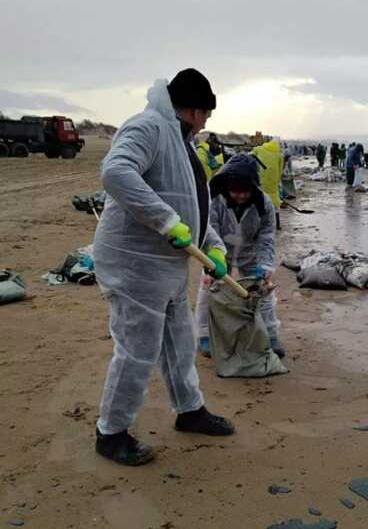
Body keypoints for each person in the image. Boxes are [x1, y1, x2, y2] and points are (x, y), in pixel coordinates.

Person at [92, 68, 235, 467]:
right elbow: (115, 172)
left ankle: (190, 410)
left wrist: (216, 247)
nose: (207, 122)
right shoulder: (148, 127)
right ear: (192, 109)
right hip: (134, 265)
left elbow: (191, 204)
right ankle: (111, 432)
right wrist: (165, 222)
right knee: (137, 350)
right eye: (206, 113)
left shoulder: (183, 143)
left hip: (168, 267)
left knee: (180, 343)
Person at [194, 153, 284, 358]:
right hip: (218, 251)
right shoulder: (214, 201)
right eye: (236, 192)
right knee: (208, 289)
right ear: (227, 187)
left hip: (250, 253)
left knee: (264, 293)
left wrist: (266, 265)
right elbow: (209, 231)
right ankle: (205, 335)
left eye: (246, 192)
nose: (241, 196)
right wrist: (211, 263)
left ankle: (270, 334)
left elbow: (266, 237)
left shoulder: (265, 204)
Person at [252, 138, 284, 230]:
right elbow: (280, 169)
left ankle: (260, 225)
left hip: (260, 180)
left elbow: (250, 156)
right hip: (273, 182)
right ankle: (277, 225)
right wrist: (277, 181)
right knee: (275, 203)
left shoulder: (259, 149)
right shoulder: (279, 154)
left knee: (260, 200)